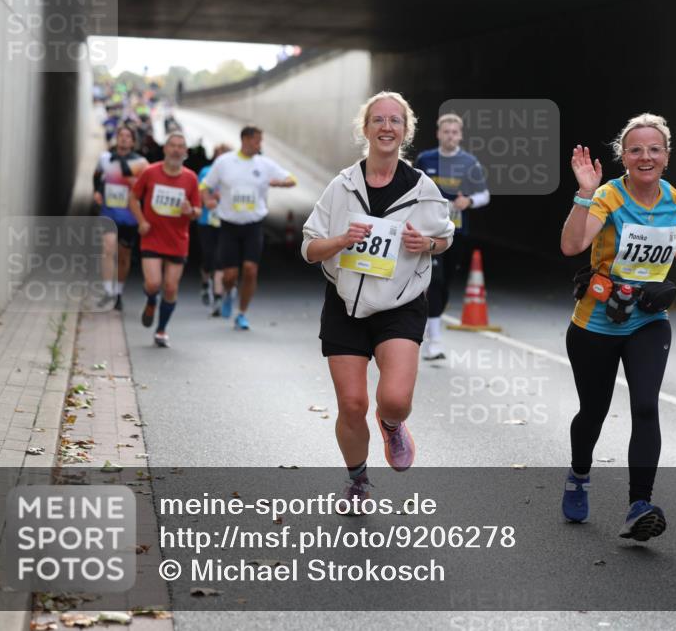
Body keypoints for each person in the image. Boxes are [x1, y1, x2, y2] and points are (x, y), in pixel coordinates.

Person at [559, 113, 676, 539]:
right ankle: (578, 474)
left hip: (649, 319)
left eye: (654, 149)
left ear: (666, 156)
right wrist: (584, 194)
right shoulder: (608, 196)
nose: (645, 156)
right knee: (593, 411)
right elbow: (573, 245)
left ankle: (639, 504)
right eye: (635, 149)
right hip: (596, 322)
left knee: (646, 406)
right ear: (623, 157)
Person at [301, 92, 454, 504]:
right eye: (378, 120)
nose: (387, 127)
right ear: (365, 129)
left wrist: (427, 243)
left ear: (405, 132)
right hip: (345, 304)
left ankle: (391, 425)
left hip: (400, 305)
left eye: (395, 121)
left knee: (395, 400)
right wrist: (339, 240)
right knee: (351, 404)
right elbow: (310, 248)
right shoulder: (342, 185)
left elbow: (444, 238)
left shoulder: (422, 188)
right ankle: (357, 481)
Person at [201, 125, 296, 330]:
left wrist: (280, 183)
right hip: (229, 226)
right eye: (257, 141)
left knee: (251, 270)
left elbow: (291, 179)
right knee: (230, 275)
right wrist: (207, 200)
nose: (259, 145)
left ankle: (242, 313)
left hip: (253, 226)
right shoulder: (224, 162)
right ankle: (228, 293)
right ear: (245, 139)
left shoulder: (264, 164)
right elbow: (205, 186)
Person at [413, 113, 490, 360]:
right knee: (434, 282)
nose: (450, 136)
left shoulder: (469, 163)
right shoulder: (425, 159)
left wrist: (469, 200)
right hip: (429, 231)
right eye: (446, 131)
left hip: (457, 232)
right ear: (438, 134)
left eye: (455, 132)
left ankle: (429, 322)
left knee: (445, 284)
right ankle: (434, 340)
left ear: (461, 135)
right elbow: (411, 189)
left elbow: (485, 195)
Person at [129, 132, 201, 347]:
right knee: (153, 283)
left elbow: (197, 210)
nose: (177, 149)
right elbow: (133, 197)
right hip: (152, 237)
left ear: (185, 152)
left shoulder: (190, 178)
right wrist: (141, 220)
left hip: (177, 240)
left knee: (170, 287)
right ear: (165, 149)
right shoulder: (150, 172)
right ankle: (151, 300)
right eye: (173, 146)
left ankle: (161, 330)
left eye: (181, 146)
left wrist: (191, 211)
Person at [93, 125, 149, 311]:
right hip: (109, 213)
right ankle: (108, 291)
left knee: (124, 256)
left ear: (133, 141)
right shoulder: (105, 158)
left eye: (128, 136)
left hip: (129, 216)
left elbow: (148, 188)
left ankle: (118, 293)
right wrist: (97, 192)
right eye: (121, 135)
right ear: (117, 138)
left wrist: (136, 186)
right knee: (108, 249)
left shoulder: (141, 163)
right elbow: (97, 175)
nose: (124, 139)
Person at [197, 143, 231, 314]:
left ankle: (218, 297)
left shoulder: (233, 174)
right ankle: (205, 282)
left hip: (225, 221)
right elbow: (198, 193)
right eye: (220, 155)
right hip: (207, 221)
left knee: (220, 259)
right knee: (208, 257)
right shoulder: (206, 172)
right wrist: (210, 197)